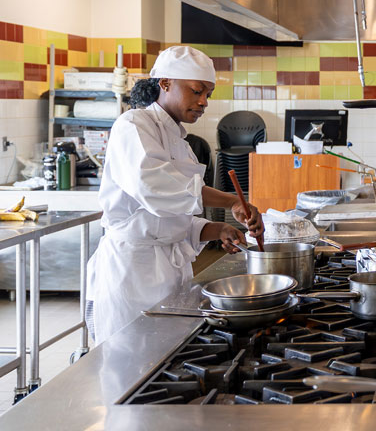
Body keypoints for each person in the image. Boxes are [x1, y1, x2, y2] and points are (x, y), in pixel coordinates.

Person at [86, 45, 265, 343]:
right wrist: (232, 201)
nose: (203, 102)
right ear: (166, 83)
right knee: (130, 358)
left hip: (170, 272)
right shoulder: (133, 125)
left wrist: (218, 229)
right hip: (133, 273)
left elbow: (173, 216)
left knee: (168, 356)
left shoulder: (180, 141)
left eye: (208, 94)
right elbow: (155, 190)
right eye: (196, 91)